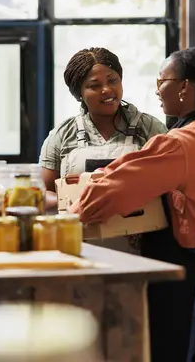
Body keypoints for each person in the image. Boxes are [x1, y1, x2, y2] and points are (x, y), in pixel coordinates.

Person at [68, 47, 195, 361]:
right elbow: (133, 169)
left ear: (184, 87)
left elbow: (104, 195)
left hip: (184, 280)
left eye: (162, 81)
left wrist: (70, 212)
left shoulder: (178, 143)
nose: (157, 89)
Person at [39, 47, 168, 253]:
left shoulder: (150, 128)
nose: (106, 90)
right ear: (79, 93)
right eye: (94, 85)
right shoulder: (62, 135)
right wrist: (79, 200)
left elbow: (171, 185)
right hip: (79, 246)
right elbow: (42, 194)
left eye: (112, 80)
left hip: (141, 249)